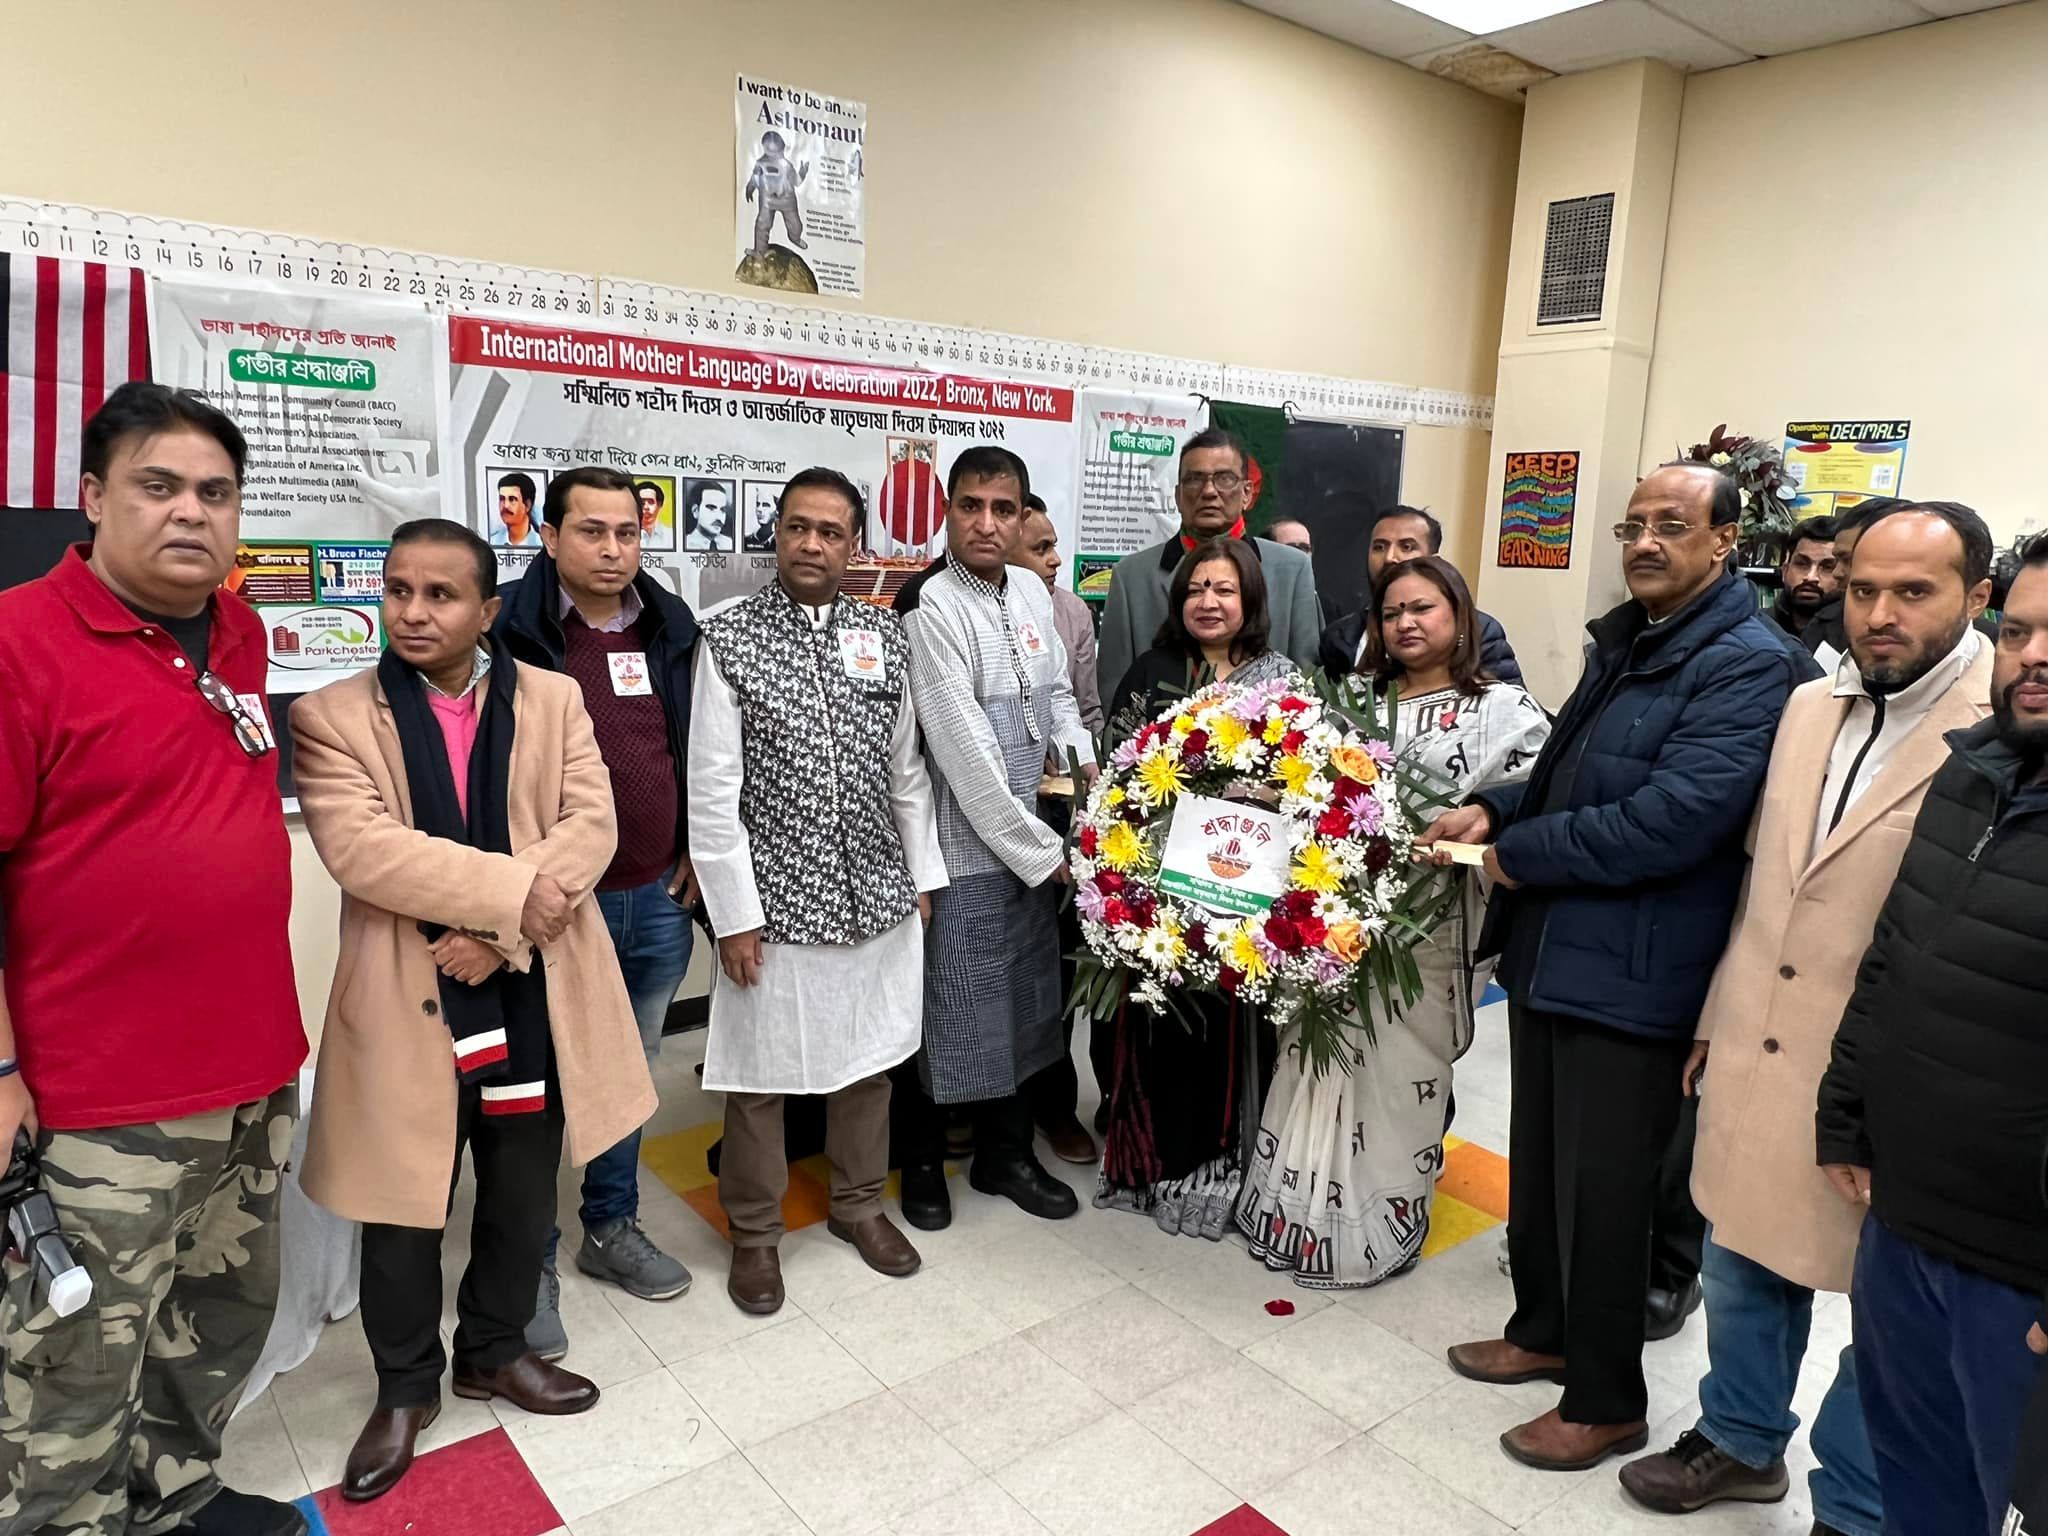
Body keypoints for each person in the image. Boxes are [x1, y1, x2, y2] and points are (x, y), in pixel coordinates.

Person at [1618, 501, 1998, 1534]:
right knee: (1740, 1252)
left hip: (1896, 1073)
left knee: (1889, 1308)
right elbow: (1764, 881)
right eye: (1863, 589)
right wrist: (1714, 1010)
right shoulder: (1807, 702)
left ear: (1974, 597)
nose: (1879, 613)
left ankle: (1858, 1499)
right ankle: (1739, 1438)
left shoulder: (1996, 731)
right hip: (1759, 1033)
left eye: (1912, 592)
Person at [1426, 463, 1813, 1472]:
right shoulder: (1632, 639)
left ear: (1724, 542)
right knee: (1546, 1169)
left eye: (1671, 525)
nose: (1644, 542)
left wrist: (1524, 853)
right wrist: (1496, 811)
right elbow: (1572, 775)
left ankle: (1603, 1402)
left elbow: (1674, 820)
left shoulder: (1747, 664)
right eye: (1632, 525)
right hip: (1557, 949)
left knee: (1605, 1195)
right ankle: (1543, 1331)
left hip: (1638, 968)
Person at [291, 519, 656, 1501]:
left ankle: (493, 1351)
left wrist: (496, 934)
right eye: (398, 591)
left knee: (520, 1189)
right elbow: (366, 851)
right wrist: (509, 899)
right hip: (405, 996)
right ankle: (404, 1389)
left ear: (487, 610)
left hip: (531, 983)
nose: (413, 612)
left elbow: (590, 825)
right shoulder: (333, 714)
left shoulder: (553, 698)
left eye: (441, 595)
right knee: (403, 1207)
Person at [0, 384, 305, 1536]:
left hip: (252, 1067)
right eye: (159, 486)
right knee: (72, 1358)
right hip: (98, 1099)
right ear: (92, 496)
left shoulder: (238, 631)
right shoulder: (17, 642)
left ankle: (176, 1500)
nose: (191, 513)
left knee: (213, 1316)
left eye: (216, 493)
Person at [1815, 532, 2048, 1535]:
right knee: (1917, 1479)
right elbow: (1893, 955)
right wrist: (1845, 1113)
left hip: (2019, 1266)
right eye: (2020, 632)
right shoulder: (1972, 773)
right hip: (1906, 1218)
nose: (2033, 656)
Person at [1240, 555, 1548, 1282]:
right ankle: (1295, 1214)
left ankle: (1380, 1222)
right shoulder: (1347, 701)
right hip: (1332, 916)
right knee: (1311, 1054)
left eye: (1422, 608)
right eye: (1391, 613)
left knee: (1398, 1072)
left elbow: (1541, 795)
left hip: (1429, 927)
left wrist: (1483, 816)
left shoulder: (1504, 710)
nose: (1405, 623)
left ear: (1461, 617)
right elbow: (1298, 783)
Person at [689, 468, 945, 1314]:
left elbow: (908, 772)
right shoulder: (728, 638)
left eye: (830, 532)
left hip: (875, 893)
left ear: (854, 546)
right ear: (778, 534)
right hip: (774, 905)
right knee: (760, 1075)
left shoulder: (886, 637)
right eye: (798, 527)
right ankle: (755, 1233)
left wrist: (922, 878)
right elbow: (711, 794)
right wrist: (733, 917)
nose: (812, 544)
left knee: (868, 1063)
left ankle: (858, 1206)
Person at [494, 466, 701, 1358]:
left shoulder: (669, 624)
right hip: (553, 906)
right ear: (548, 536)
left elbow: (692, 748)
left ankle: (610, 1227)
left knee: (628, 1076)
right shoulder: (510, 627)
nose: (614, 550)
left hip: (654, 896)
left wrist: (693, 848)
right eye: (591, 531)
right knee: (539, 1088)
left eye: (627, 532)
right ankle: (530, 1257)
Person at [900, 446, 1096, 1229]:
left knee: (1023, 1004)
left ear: (1022, 519)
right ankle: (922, 1164)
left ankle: (1004, 1157)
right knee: (952, 1007)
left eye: (1003, 509)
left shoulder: (1032, 592)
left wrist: (1084, 774)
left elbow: (1058, 701)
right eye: (971, 506)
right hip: (964, 848)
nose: (986, 523)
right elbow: (964, 754)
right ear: (947, 513)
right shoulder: (930, 606)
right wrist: (1046, 856)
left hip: (1036, 839)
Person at [1092, 539, 1299, 1237]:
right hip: (1162, 890)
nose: (1208, 602)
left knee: (1231, 1030)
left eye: (1224, 590)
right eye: (1195, 589)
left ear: (1250, 601)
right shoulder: (1154, 670)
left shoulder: (1280, 680)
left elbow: (1304, 777)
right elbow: (1116, 771)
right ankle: (1155, 1161)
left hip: (1243, 890)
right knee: (1164, 1025)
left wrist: (1256, 794)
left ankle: (1224, 1165)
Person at [1096, 428, 1323, 703]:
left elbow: (1308, 682)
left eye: (1224, 478)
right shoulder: (1132, 576)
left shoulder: (1291, 570)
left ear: (1247, 493)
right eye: (1194, 479)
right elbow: (1114, 689)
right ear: (1178, 495)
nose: (1209, 491)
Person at [1016, 495, 1105, 1161]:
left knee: (1060, 964)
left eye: (1055, 545)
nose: (1055, 560)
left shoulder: (1071, 612)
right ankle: (979, 1106)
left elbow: (1086, 707)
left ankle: (1054, 1105)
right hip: (989, 816)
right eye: (1041, 548)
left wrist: (1081, 764)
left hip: (1064, 816)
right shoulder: (954, 608)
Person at [1318, 506, 1522, 685]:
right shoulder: (1340, 636)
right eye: (1379, 547)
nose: (1390, 558)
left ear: (1434, 561)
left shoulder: (1479, 630)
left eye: (1406, 547)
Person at [1768, 514, 1842, 639]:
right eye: (1802, 564)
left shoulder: (1854, 637)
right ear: (1785, 570)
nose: (1811, 577)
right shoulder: (1756, 627)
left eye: (1828, 567)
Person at [745, 130, 808, 255]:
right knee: (762, 225)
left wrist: (802, 172)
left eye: (780, 152)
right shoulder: (760, 164)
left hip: (787, 200)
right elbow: (755, 178)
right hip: (767, 201)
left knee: (795, 224)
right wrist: (750, 187)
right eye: (776, 153)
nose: (779, 155)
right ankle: (760, 251)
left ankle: (795, 238)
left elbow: (796, 181)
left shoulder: (787, 166)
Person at [492, 471, 541, 547]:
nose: (506, 505)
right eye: (502, 499)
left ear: (527, 505)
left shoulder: (540, 544)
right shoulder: (493, 542)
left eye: (512, 499)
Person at [684, 481, 735, 552]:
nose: (719, 517)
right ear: (695, 511)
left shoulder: (729, 544)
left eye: (722, 510)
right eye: (711, 508)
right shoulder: (685, 544)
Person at [743, 485, 778, 552]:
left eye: (766, 505)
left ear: (777, 511)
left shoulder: (781, 542)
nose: (759, 509)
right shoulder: (746, 541)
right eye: (757, 504)